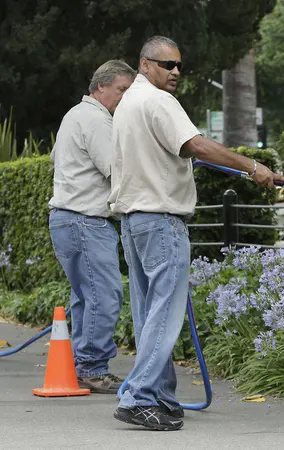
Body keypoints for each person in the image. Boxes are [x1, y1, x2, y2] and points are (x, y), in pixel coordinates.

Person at [110, 36, 284, 431]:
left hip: (134, 222)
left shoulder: (128, 104)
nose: (175, 72)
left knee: (148, 314)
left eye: (178, 65)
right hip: (160, 221)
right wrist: (253, 166)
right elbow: (195, 144)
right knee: (165, 314)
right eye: (166, 64)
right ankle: (139, 397)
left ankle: (160, 396)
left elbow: (173, 151)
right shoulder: (158, 102)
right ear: (144, 64)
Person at [48, 60, 137, 394]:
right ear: (100, 87)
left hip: (66, 220)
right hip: (86, 221)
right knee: (105, 294)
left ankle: (80, 365)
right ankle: (91, 368)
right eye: (121, 90)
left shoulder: (74, 115)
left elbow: (56, 158)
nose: (125, 98)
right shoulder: (98, 120)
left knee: (86, 297)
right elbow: (118, 172)